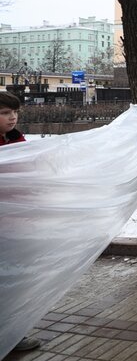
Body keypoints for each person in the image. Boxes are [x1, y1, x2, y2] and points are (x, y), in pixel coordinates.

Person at [0, 92, 41, 352]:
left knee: (13, 284)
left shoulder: (17, 140)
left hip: (15, 224)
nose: (12, 117)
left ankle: (11, 336)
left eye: (15, 112)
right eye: (5, 113)